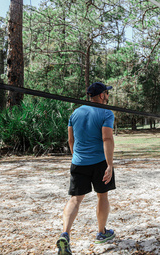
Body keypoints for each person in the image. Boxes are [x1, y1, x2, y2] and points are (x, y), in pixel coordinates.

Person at [56, 82, 116, 255]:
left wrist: (77, 157)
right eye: (106, 93)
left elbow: (70, 140)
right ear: (101, 95)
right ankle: (101, 232)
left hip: (79, 162)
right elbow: (107, 139)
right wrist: (110, 165)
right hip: (99, 163)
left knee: (75, 199)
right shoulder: (106, 113)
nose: (108, 95)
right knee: (102, 195)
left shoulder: (75, 113)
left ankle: (65, 234)